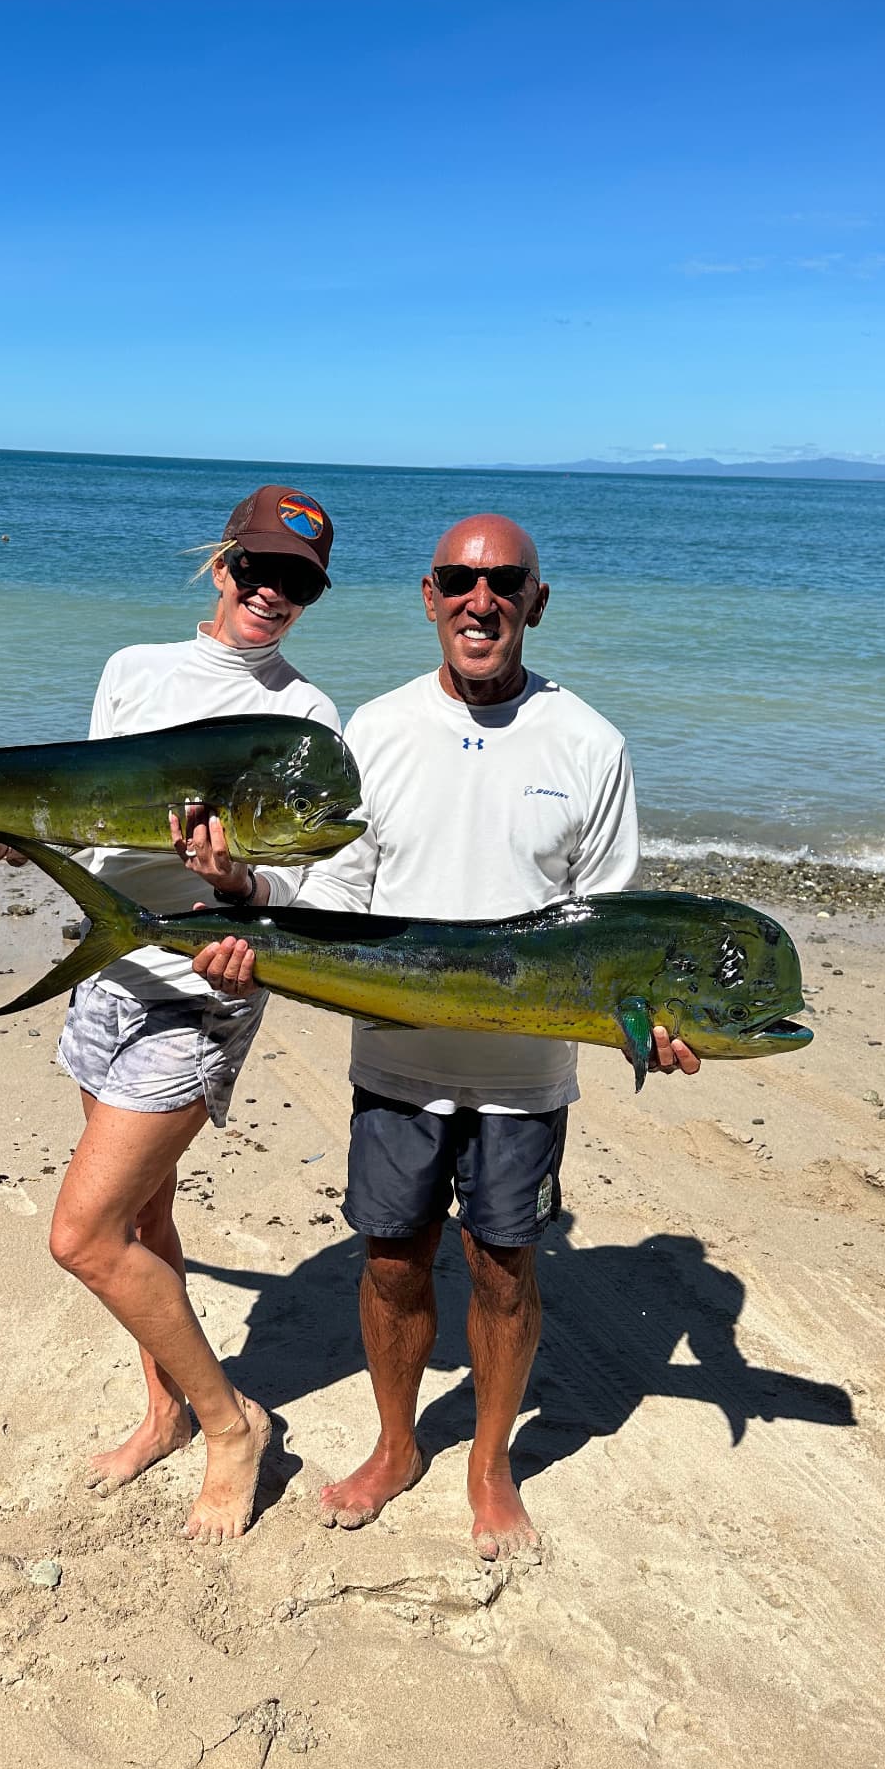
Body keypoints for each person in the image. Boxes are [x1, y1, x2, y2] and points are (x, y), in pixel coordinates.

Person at [194, 512, 700, 1560]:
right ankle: (396, 1444)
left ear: (535, 601)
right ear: (428, 598)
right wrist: (250, 908)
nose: (482, 600)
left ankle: (487, 1458)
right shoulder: (373, 731)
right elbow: (334, 892)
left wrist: (653, 1026)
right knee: (390, 1264)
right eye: (458, 581)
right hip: (395, 1058)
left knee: (506, 1267)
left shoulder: (591, 742)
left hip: (525, 1076)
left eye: (505, 581)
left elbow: (611, 932)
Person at [0, 485, 341, 1545]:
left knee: (85, 1234)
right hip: (107, 963)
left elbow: (298, 897)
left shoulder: (304, 716)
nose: (272, 593)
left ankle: (229, 1421)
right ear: (221, 565)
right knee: (147, 1219)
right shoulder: (132, 668)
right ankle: (160, 1408)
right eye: (258, 569)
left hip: (202, 984)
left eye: (296, 582)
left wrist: (237, 879)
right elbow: (81, 817)